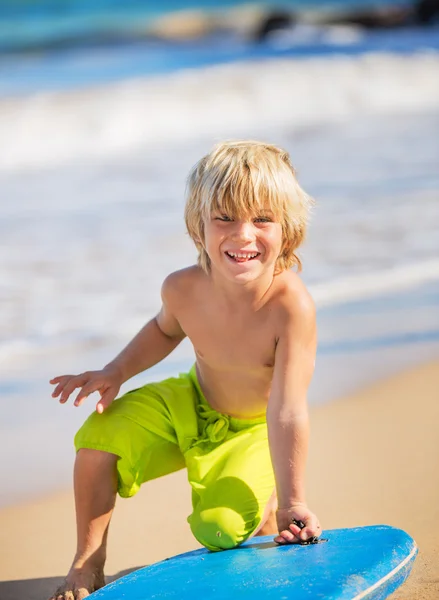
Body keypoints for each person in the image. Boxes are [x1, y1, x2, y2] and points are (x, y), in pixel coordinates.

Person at [49, 140, 321, 600]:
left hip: (254, 428)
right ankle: (88, 559)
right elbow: (163, 331)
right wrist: (116, 371)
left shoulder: (290, 306)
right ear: (198, 228)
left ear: (288, 230)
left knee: (219, 529)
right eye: (225, 218)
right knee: (98, 438)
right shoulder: (182, 287)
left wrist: (292, 500)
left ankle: (264, 504)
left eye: (262, 219)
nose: (243, 235)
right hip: (190, 401)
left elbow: (288, 410)